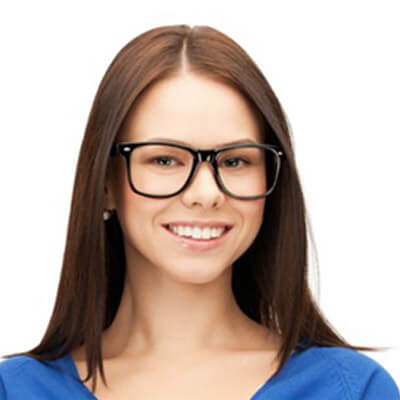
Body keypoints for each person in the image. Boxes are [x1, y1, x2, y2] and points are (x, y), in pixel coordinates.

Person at [0, 24, 398, 400]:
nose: (206, 194)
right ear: (106, 184)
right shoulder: (15, 390)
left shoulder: (352, 390)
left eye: (235, 161)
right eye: (165, 160)